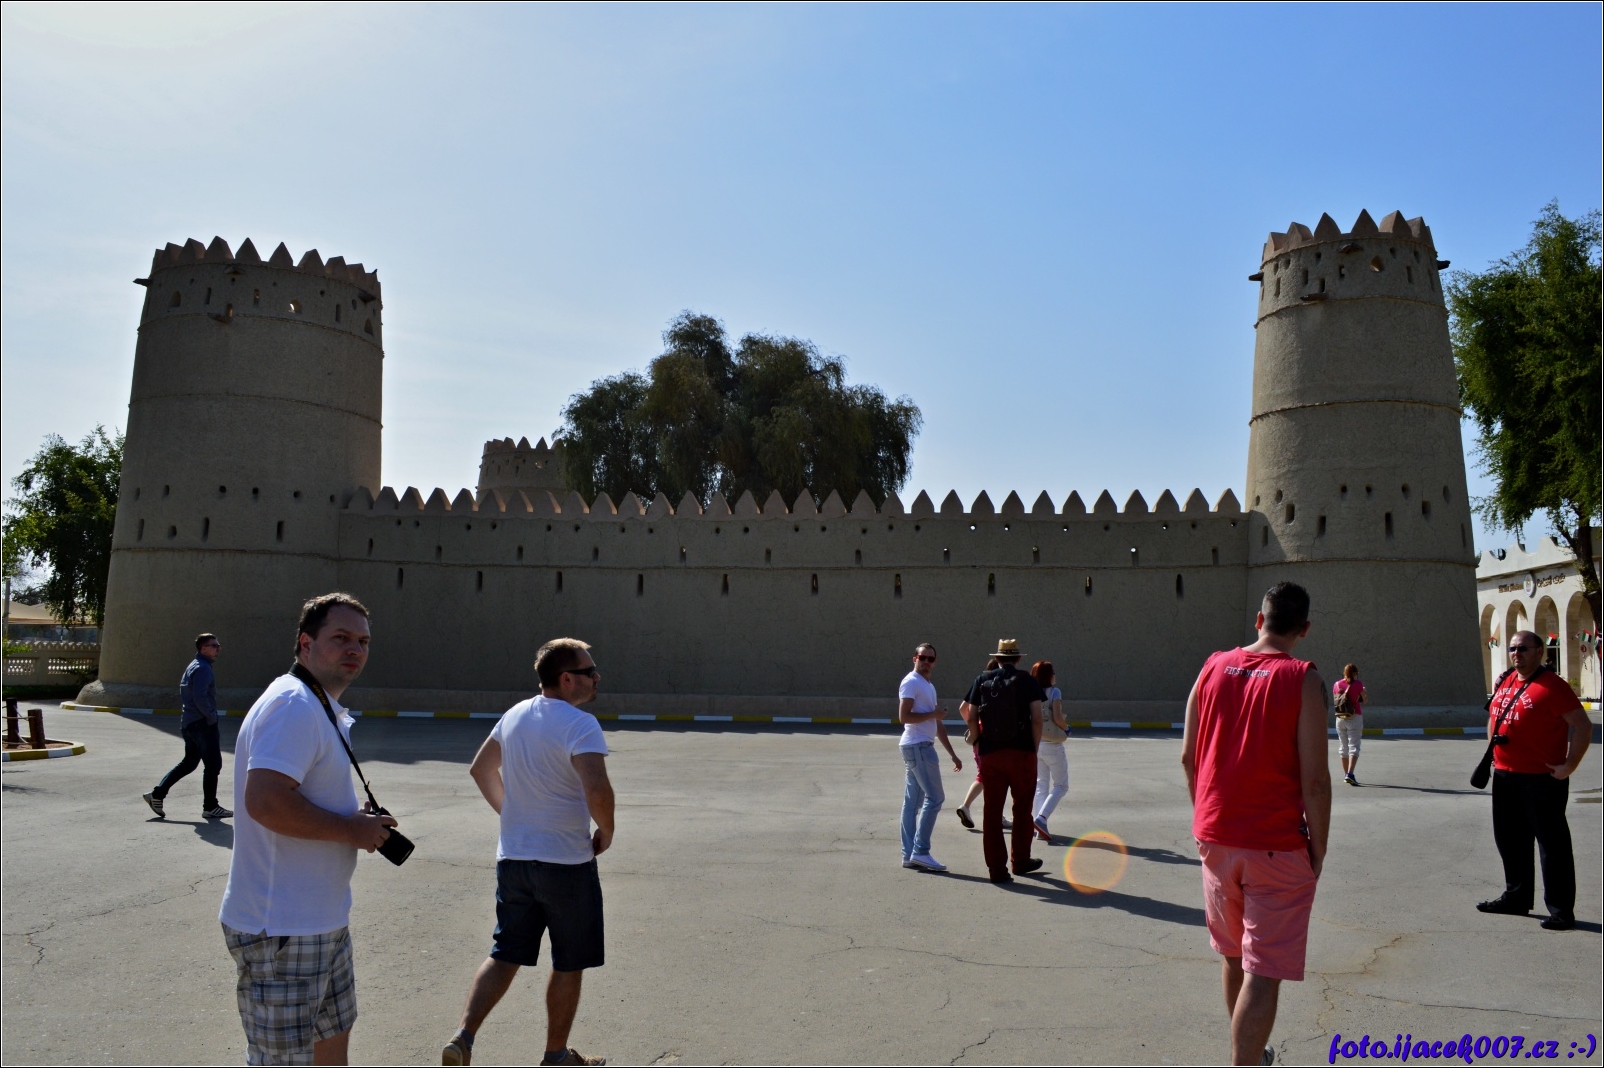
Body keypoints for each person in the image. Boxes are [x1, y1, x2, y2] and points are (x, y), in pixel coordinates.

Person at [218, 593, 397, 1067]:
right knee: (282, 1060)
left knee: (329, 1046)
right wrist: (349, 830)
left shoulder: (316, 705)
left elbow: (296, 792)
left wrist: (356, 821)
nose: (354, 649)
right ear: (305, 643)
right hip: (282, 926)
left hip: (319, 921)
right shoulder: (293, 704)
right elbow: (265, 800)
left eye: (363, 641)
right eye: (340, 637)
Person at [443, 639, 614, 1067]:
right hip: (566, 864)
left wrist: (512, 814)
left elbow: (480, 769)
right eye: (590, 671)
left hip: (515, 860)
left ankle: (462, 1038)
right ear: (566, 678)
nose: (597, 678)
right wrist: (607, 830)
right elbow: (596, 788)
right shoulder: (581, 724)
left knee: (505, 953)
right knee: (569, 961)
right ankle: (555, 1057)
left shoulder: (515, 714)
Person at [1182, 582, 1330, 1066]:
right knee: (1263, 971)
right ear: (1304, 629)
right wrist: (1318, 850)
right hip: (1275, 843)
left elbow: (1188, 757)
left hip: (1216, 837)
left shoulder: (1212, 667)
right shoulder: (1302, 679)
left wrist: (1206, 819)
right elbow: (1315, 781)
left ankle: (1250, 1053)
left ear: (1259, 620)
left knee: (1233, 956)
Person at [1475, 629, 1592, 931]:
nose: (1516, 654)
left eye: (1523, 648)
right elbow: (1494, 717)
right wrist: (1493, 754)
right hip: (1506, 776)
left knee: (1552, 847)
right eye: (1513, 649)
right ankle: (1516, 898)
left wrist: (1569, 765)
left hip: (1542, 779)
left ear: (1539, 651)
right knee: (1510, 841)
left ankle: (1561, 911)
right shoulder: (1505, 680)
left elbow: (1582, 726)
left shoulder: (1553, 685)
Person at [961, 639, 1045, 884]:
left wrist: (977, 740)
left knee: (992, 812)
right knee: (1022, 810)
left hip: (991, 754)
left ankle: (997, 870)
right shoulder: (1028, 681)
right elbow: (1037, 719)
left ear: (997, 658)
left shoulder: (982, 679)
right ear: (1018, 659)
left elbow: (970, 715)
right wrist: (1034, 748)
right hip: (1022, 754)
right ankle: (1020, 861)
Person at [145, 633, 231, 819]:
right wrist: (211, 716)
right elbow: (200, 697)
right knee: (213, 765)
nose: (218, 648)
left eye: (218, 645)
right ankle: (210, 807)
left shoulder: (194, 665)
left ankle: (157, 795)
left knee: (189, 763)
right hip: (202, 724)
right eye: (214, 645)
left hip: (190, 723)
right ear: (203, 648)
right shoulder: (203, 668)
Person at [897, 643, 962, 873]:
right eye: (922, 657)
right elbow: (904, 716)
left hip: (919, 746)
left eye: (930, 659)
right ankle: (920, 851)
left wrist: (952, 754)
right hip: (918, 746)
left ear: (935, 662)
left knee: (912, 803)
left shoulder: (928, 685)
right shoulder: (911, 682)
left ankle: (909, 855)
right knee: (935, 798)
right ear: (914, 658)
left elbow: (937, 723)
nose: (926, 662)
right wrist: (933, 714)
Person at [954, 656, 999, 829]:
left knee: (990, 777)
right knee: (986, 776)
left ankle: (998, 815)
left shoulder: (980, 683)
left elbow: (962, 708)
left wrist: (974, 726)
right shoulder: (998, 686)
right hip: (991, 736)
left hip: (979, 734)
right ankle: (966, 806)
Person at [1030, 661, 1068, 841]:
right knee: (1061, 785)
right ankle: (1042, 818)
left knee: (1041, 785)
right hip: (1053, 744)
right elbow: (1058, 718)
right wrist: (1067, 729)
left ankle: (1039, 829)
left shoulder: (1031, 691)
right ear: (1049, 675)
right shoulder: (1055, 692)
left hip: (1037, 743)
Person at [1332, 664, 1366, 786]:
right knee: (1354, 746)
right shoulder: (1358, 684)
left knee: (1343, 747)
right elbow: (1365, 700)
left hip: (1340, 718)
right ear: (1355, 673)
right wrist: (1363, 692)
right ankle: (1350, 774)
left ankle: (1346, 774)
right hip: (1354, 716)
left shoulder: (1336, 684)